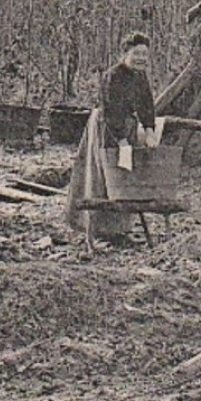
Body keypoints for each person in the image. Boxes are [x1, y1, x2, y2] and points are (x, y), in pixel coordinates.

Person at [66, 32, 160, 244]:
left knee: (125, 175)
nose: (141, 59)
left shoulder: (140, 76)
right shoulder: (113, 76)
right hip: (106, 127)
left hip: (127, 126)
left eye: (145, 54)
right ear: (125, 53)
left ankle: (120, 229)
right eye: (136, 54)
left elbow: (147, 105)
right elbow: (111, 110)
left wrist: (150, 130)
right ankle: (96, 227)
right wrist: (121, 139)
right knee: (103, 172)